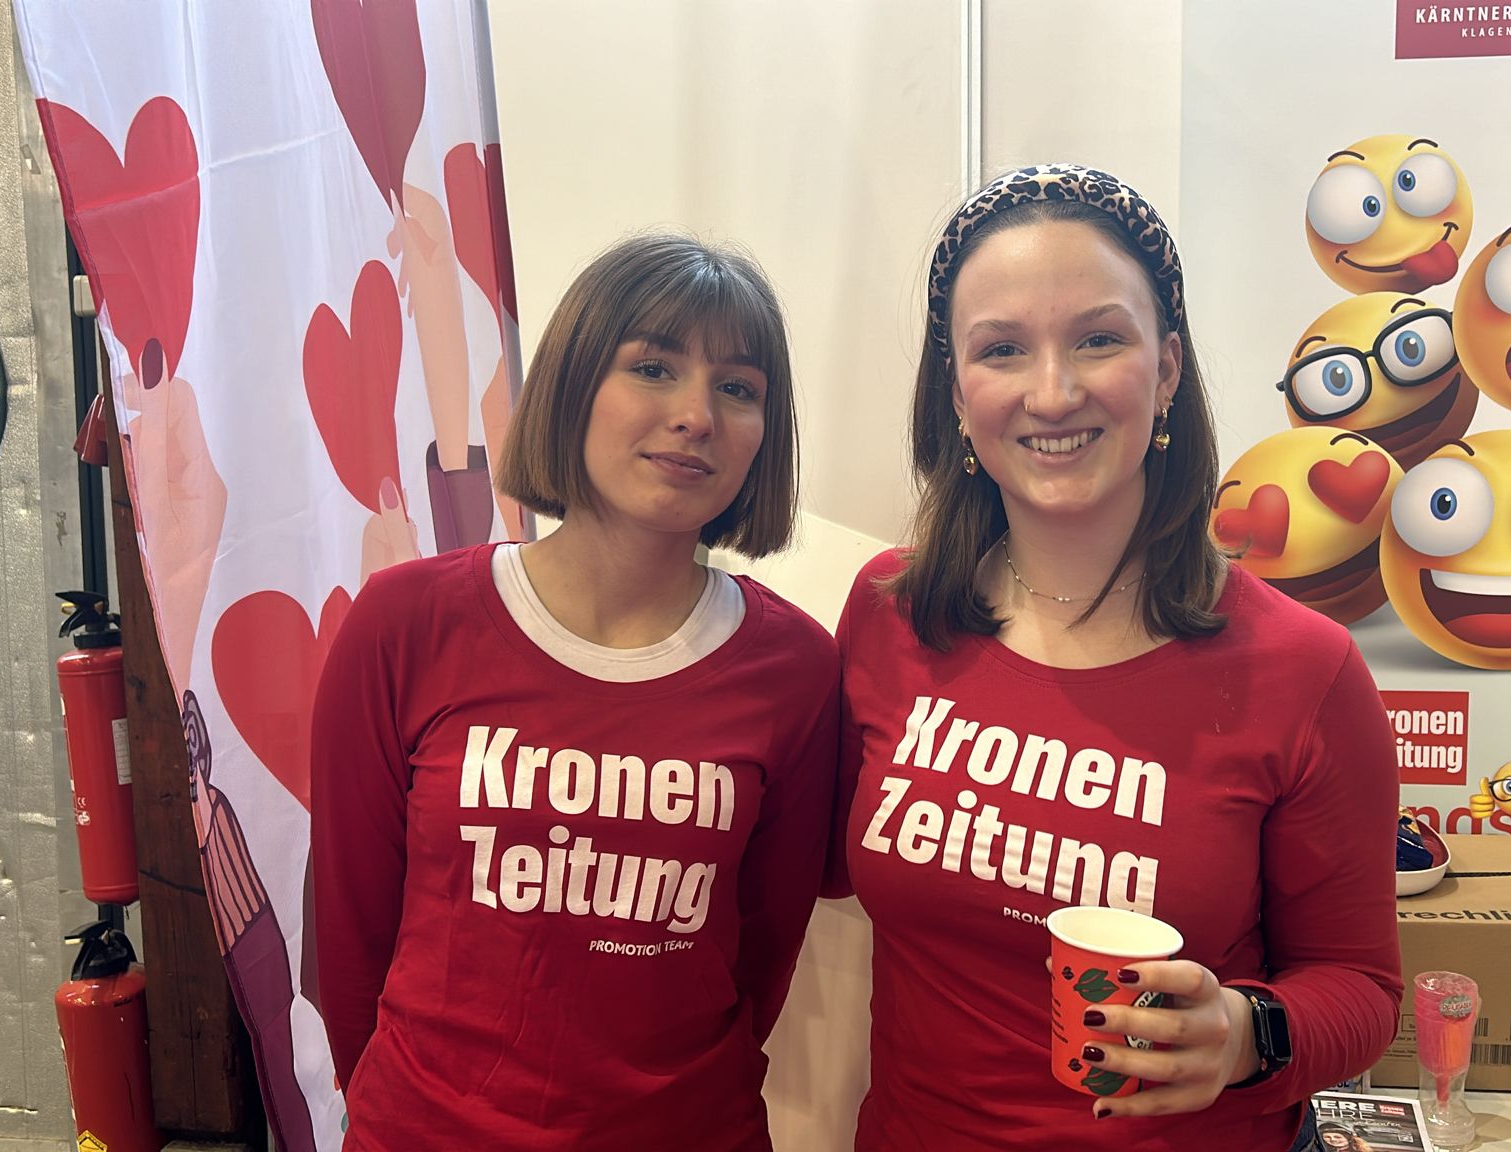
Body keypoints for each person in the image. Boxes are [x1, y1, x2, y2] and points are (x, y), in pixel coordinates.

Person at [831, 165, 1401, 1151]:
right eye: (1001, 349)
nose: (1052, 393)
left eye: (1098, 339)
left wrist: (1246, 1034)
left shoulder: (1304, 670)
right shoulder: (892, 611)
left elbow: (1361, 987)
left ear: (1166, 368)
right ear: (957, 394)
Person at [312, 232, 839, 1150]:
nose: (696, 415)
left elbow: (762, 950)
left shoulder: (795, 667)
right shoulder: (406, 622)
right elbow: (351, 928)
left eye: (738, 388)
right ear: (573, 383)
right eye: (653, 367)